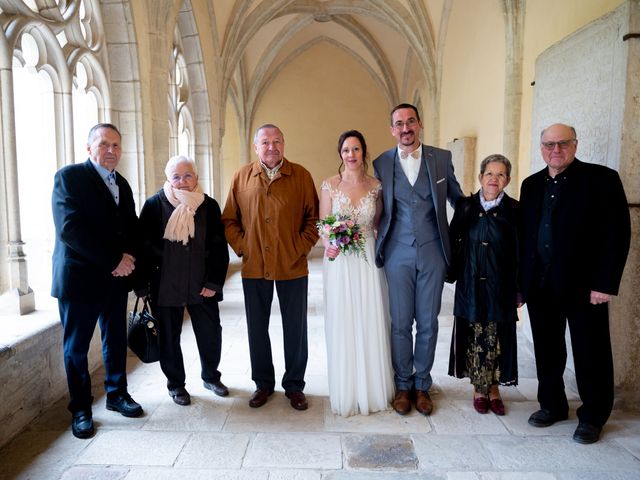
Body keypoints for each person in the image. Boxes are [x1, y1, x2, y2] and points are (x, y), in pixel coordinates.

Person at [519, 123, 631, 444]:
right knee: (547, 350)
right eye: (549, 144)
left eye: (563, 143)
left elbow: (617, 234)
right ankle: (552, 406)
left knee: (590, 352)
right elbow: (524, 237)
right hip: (540, 285)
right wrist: (521, 285)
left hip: (586, 287)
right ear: (541, 148)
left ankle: (593, 416)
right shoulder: (530, 185)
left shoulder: (602, 180)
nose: (556, 150)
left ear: (575, 145)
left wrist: (605, 282)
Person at [51, 123, 143, 439]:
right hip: (79, 280)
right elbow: (70, 229)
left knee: (115, 338)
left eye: (116, 145)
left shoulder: (123, 184)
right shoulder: (69, 178)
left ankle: (117, 395)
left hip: (115, 280)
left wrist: (128, 259)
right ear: (89, 148)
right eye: (103, 144)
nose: (111, 151)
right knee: (76, 348)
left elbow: (131, 228)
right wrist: (114, 260)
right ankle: (80, 410)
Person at [374, 103, 463, 416]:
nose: (405, 128)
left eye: (410, 121)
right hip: (397, 251)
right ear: (392, 130)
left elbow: (459, 202)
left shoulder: (441, 158)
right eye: (399, 124)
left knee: (428, 321)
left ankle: (422, 385)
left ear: (419, 124)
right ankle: (402, 384)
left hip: (433, 252)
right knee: (400, 323)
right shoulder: (381, 163)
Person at [222, 124, 319, 411]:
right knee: (257, 327)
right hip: (255, 266)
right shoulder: (241, 177)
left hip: (292, 265)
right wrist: (244, 248)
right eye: (265, 142)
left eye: (277, 141)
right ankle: (263, 383)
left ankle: (294, 386)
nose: (272, 147)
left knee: (295, 327)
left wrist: (299, 248)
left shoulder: (301, 175)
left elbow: (313, 220)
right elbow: (229, 220)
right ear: (256, 147)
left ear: (284, 144)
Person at [136, 156, 229, 406]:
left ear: (197, 177)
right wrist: (142, 284)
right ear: (168, 179)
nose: (182, 181)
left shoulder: (208, 205)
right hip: (165, 285)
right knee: (169, 338)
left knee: (210, 333)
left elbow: (219, 246)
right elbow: (142, 246)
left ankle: (211, 376)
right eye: (176, 176)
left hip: (202, 285)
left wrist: (214, 282)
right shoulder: (155, 204)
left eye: (187, 175)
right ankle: (176, 385)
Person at [320, 130, 395, 417]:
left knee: (369, 317)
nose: (351, 155)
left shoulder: (377, 186)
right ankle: (347, 390)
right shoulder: (329, 185)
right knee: (344, 320)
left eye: (356, 149)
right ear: (340, 154)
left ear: (364, 151)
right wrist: (331, 244)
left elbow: (378, 223)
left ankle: (373, 389)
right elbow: (324, 224)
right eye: (346, 150)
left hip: (366, 258)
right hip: (339, 261)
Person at [447, 154, 519, 416]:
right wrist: (449, 273)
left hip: (501, 285)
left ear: (507, 180)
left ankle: (495, 389)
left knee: (497, 336)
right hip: (470, 282)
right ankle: (479, 389)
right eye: (489, 173)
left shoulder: (514, 210)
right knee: (476, 335)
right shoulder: (466, 207)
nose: (494, 179)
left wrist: (519, 289)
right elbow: (453, 241)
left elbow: (521, 251)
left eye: (500, 175)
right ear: (480, 177)